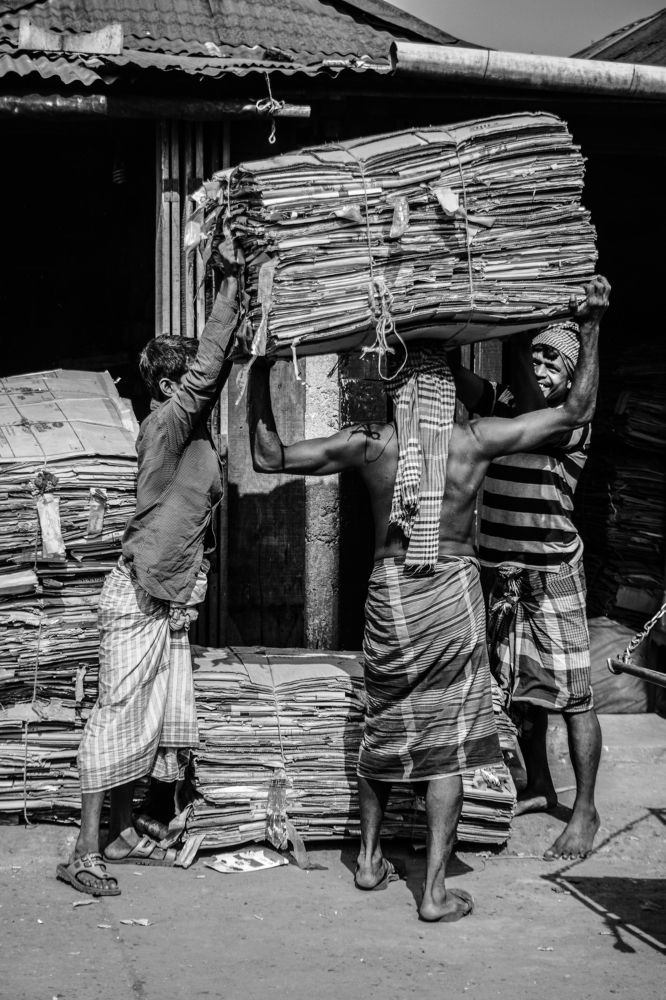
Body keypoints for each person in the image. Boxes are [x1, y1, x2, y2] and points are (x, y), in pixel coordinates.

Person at [246, 280, 602, 921]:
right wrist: (595, 324)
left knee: (384, 721)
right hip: (453, 593)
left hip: (391, 598)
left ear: (398, 391)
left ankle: (368, 858)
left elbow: (267, 456)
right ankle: (434, 892)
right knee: (450, 739)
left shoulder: (371, 445)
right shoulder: (477, 441)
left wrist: (261, 368)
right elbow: (574, 410)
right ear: (449, 393)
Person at [56, 258, 240, 897]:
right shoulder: (165, 425)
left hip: (162, 601)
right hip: (137, 597)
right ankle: (83, 851)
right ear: (166, 386)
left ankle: (123, 827)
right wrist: (232, 287)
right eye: (188, 379)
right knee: (116, 719)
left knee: (151, 723)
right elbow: (211, 365)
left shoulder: (196, 439)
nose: (202, 386)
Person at [452, 274, 611, 861]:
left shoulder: (570, 421)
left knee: (573, 696)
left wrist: (533, 325)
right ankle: (539, 784)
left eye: (553, 358)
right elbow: (457, 377)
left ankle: (587, 810)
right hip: (500, 574)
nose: (540, 364)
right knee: (520, 692)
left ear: (572, 376)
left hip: (551, 574)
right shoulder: (502, 403)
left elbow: (551, 390)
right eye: (536, 352)